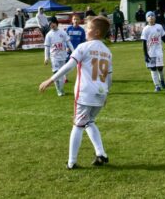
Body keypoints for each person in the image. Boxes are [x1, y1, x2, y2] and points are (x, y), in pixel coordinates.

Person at [38, 15, 112, 170]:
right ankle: (101, 153)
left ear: (97, 32)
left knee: (77, 125)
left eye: (89, 27)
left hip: (85, 94)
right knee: (89, 122)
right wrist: (107, 93)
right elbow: (109, 76)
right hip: (100, 94)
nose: (86, 29)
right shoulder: (107, 51)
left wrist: (51, 80)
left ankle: (71, 162)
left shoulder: (84, 47)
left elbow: (69, 66)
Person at [141, 11, 165, 92]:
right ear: (147, 18)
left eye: (152, 16)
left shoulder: (159, 27)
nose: (151, 17)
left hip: (159, 52)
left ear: (155, 17)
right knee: (153, 69)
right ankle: (157, 86)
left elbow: (164, 39)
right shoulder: (145, 29)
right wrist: (145, 55)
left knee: (160, 68)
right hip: (150, 53)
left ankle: (162, 80)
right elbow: (144, 43)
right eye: (149, 16)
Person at [43, 16, 74, 96]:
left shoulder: (62, 32)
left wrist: (73, 52)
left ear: (56, 23)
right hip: (54, 57)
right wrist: (46, 58)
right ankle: (59, 91)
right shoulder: (48, 35)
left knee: (62, 75)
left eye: (53, 23)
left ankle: (61, 89)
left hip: (63, 57)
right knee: (56, 73)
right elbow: (46, 47)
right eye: (50, 24)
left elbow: (68, 43)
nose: (51, 25)